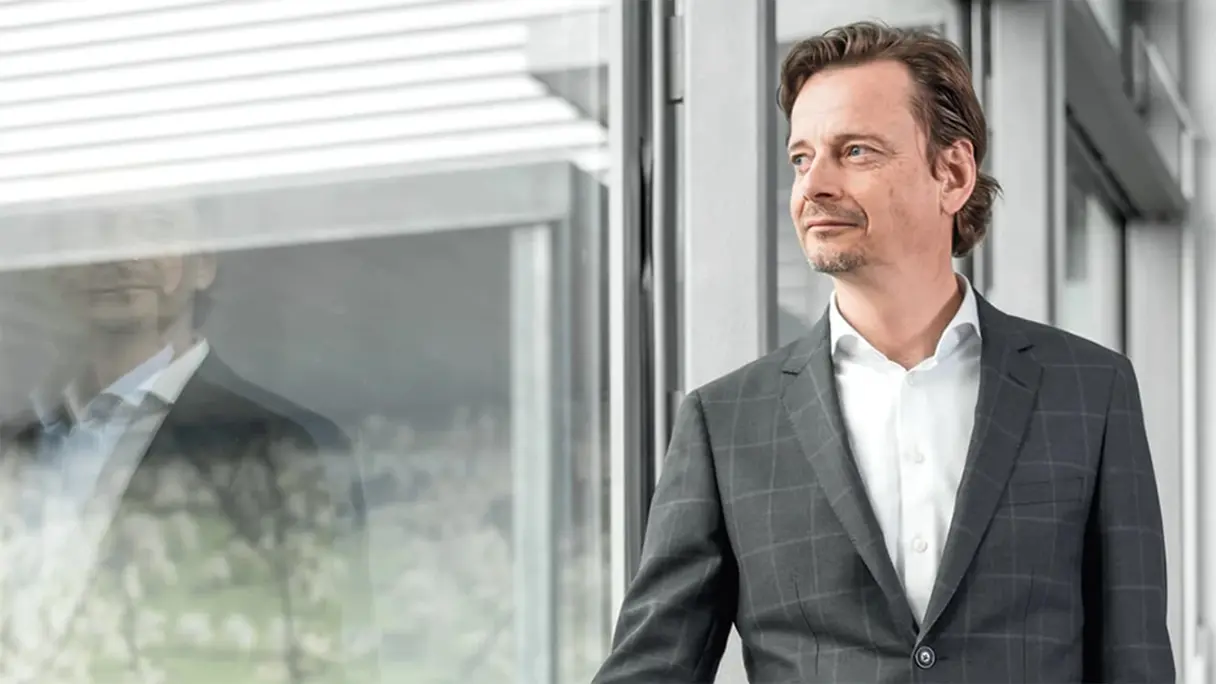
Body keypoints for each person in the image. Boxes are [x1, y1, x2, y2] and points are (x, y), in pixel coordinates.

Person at [592, 21, 1173, 684]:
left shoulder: (1089, 391)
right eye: (801, 158)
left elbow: (1137, 663)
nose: (813, 185)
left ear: (952, 174)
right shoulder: (725, 423)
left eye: (855, 151)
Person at [0, 201, 379, 683]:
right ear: (56, 265)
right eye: (92, 226)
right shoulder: (15, 449)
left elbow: (335, 665)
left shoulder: (286, 450)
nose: (119, 252)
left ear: (204, 262)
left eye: (154, 223)